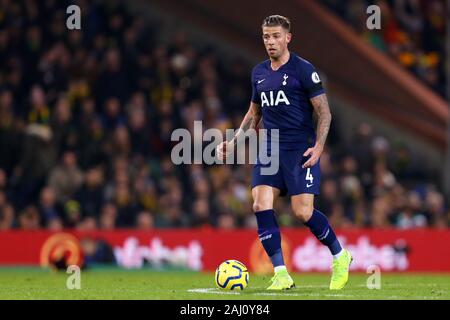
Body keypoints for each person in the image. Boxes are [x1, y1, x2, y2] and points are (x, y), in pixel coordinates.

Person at [217, 15, 352, 290]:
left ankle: (340, 255)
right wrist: (233, 141)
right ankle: (281, 273)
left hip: (299, 149)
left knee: (302, 212)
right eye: (266, 36)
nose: (270, 41)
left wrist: (319, 147)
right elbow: (254, 113)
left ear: (287, 37)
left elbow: (324, 112)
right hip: (269, 149)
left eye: (276, 36)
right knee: (259, 204)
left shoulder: (304, 70)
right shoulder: (258, 73)